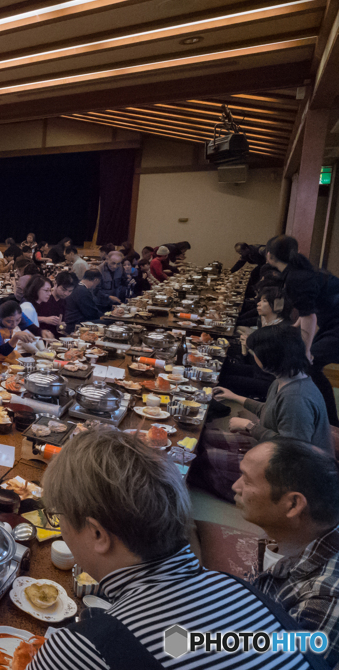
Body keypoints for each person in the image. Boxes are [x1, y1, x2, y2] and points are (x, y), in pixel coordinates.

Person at [0, 429, 323, 670]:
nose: (60, 529)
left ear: (99, 535)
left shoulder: (85, 649)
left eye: (60, 519)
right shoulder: (246, 596)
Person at [190, 324, 332, 501]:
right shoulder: (287, 378)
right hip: (272, 450)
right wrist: (234, 396)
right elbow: (269, 411)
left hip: (293, 475)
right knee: (205, 436)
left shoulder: (296, 399)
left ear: (269, 358)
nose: (253, 356)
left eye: (254, 353)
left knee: (205, 460)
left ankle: (254, 498)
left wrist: (249, 426)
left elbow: (293, 450)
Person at [232, 439, 339, 667]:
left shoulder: (324, 599)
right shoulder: (287, 533)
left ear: (292, 505)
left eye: (247, 480)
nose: (235, 486)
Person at [266, 235, 339, 426]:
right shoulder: (297, 273)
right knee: (312, 366)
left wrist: (306, 351)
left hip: (336, 324)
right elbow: (308, 311)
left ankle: (330, 423)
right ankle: (328, 421)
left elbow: (309, 315)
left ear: (269, 255)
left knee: (308, 364)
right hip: (333, 322)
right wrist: (296, 327)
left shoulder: (295, 277)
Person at [20, 275, 58, 339]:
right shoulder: (27, 307)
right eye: (46, 290)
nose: (49, 294)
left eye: (50, 290)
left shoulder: (40, 303)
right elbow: (28, 334)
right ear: (36, 289)